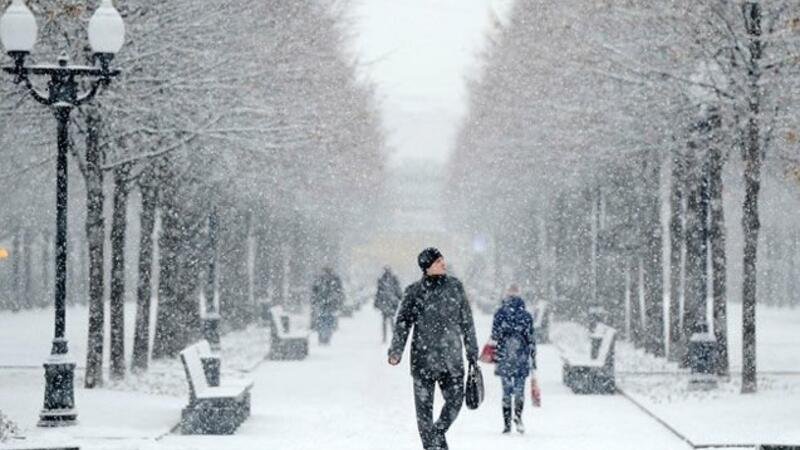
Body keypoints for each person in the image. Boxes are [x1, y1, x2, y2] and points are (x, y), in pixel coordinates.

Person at [388, 247, 479, 450]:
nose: (443, 264)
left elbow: (467, 321)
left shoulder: (455, 287)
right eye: (438, 262)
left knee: (455, 402)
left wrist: (472, 351)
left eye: (443, 260)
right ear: (427, 267)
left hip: (451, 360)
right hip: (423, 361)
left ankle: (437, 434)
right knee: (423, 416)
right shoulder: (414, 292)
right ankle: (432, 445)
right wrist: (396, 351)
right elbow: (403, 323)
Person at [491, 284, 537, 434]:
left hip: (504, 356)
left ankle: (506, 423)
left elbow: (495, 335)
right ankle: (518, 417)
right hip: (521, 356)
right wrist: (533, 359)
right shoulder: (526, 316)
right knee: (519, 390)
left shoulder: (500, 313)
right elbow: (531, 339)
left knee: (506, 391)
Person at [310, 266, 345, 345]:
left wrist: (315, 301)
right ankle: (326, 337)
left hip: (322, 304)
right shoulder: (335, 279)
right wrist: (338, 301)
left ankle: (322, 337)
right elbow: (339, 292)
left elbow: (314, 292)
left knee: (322, 320)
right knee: (328, 320)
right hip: (330, 304)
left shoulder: (319, 279)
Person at [374, 266, 402, 343]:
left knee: (386, 320)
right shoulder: (392, 279)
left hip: (386, 303)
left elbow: (378, 292)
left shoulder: (383, 280)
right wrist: (400, 297)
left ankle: (386, 337)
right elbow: (398, 290)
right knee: (391, 320)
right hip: (391, 303)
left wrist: (376, 302)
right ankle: (392, 336)